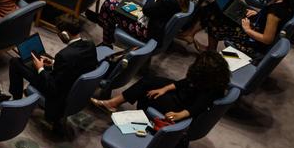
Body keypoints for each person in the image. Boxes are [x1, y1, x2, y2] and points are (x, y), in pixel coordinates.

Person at [92, 51, 231, 124]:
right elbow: (185, 82)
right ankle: (113, 103)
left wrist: (178, 115)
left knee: (148, 93)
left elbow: (197, 107)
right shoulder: (213, 78)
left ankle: (134, 115)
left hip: (182, 105)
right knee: (149, 81)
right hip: (186, 93)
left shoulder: (209, 91)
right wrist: (164, 89)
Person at [8, 13, 97, 126]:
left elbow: (52, 88)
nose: (58, 35)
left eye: (58, 32)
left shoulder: (64, 55)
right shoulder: (90, 45)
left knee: (15, 62)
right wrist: (54, 63)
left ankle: (17, 102)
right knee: (42, 60)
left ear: (64, 34)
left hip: (58, 95)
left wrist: (41, 69)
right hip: (73, 86)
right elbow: (75, 65)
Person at [196, 0, 294, 57]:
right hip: (256, 27)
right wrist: (259, 14)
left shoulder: (275, 12)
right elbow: (267, 19)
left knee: (216, 20)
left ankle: (211, 52)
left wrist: (248, 30)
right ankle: (210, 49)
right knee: (219, 12)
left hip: (254, 44)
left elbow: (267, 39)